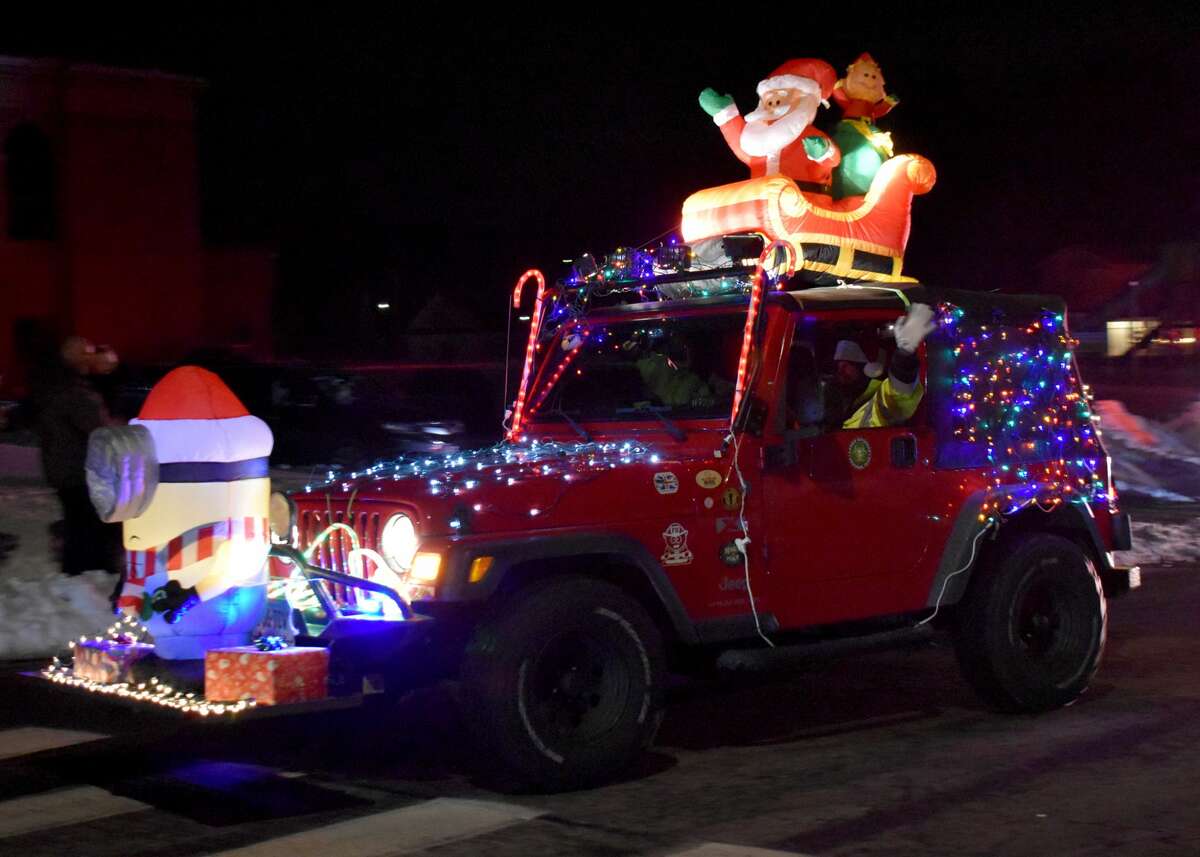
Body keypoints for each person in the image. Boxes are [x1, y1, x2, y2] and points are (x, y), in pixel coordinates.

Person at [32, 336, 123, 580]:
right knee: (87, 521)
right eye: (87, 354)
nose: (91, 358)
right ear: (76, 358)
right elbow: (98, 428)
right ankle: (82, 570)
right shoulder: (73, 390)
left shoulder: (59, 384)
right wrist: (124, 428)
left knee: (80, 520)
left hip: (64, 466)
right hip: (76, 468)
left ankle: (81, 569)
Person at [833, 303, 936, 429]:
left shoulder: (880, 397)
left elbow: (899, 397)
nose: (840, 371)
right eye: (838, 366)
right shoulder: (836, 401)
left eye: (846, 365)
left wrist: (904, 354)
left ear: (868, 368)